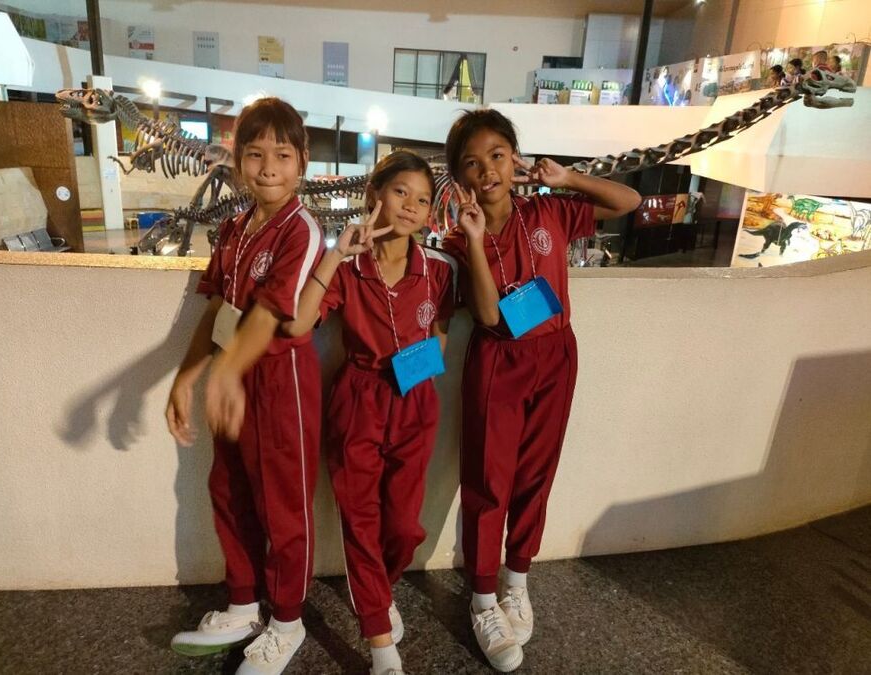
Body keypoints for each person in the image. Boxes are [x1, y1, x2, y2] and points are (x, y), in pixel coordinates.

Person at [441, 109, 641, 672]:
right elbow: (486, 314)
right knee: (488, 480)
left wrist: (567, 177)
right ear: (459, 177)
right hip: (497, 360)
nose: (488, 171)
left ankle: (516, 580)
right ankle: (483, 599)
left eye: (497, 156)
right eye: (472, 164)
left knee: (536, 474)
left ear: (515, 158)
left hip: (556, 354)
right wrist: (475, 239)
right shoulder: (459, 240)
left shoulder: (549, 211)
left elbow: (628, 201)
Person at [164, 97, 324, 675]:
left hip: (281, 384)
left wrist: (228, 372)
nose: (268, 168)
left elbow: (269, 314)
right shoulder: (233, 228)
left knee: (283, 505)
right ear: (237, 161)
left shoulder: (302, 230)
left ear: (302, 161)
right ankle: (243, 602)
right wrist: (188, 376)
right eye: (255, 154)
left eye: (282, 155)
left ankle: (288, 622)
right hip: (231, 384)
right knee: (228, 489)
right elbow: (219, 311)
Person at [282, 151, 457, 675]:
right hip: (358, 399)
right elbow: (297, 325)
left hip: (416, 400)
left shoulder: (438, 271)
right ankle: (380, 640)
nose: (411, 206)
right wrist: (336, 253)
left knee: (402, 525)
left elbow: (441, 333)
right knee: (359, 518)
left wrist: (422, 366)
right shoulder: (348, 267)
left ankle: (378, 588)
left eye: (422, 199)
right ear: (374, 195)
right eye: (400, 191)